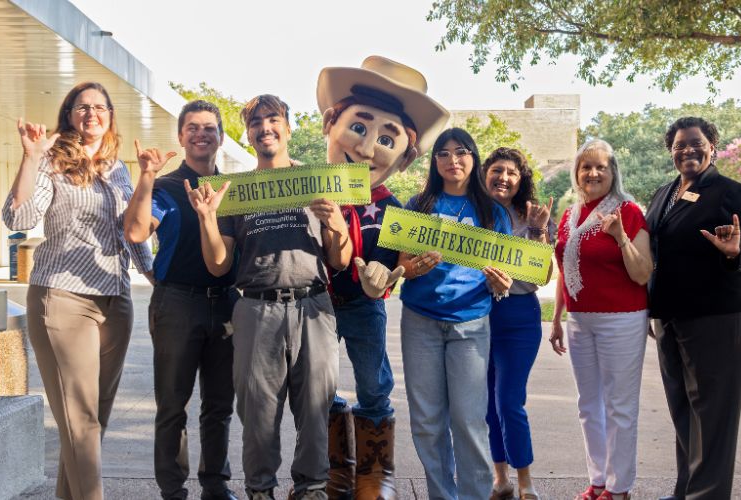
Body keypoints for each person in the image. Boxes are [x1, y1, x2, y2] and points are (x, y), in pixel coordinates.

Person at [185, 94, 351, 500]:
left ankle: (311, 489)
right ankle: (261, 490)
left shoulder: (317, 179)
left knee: (314, 412)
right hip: (257, 309)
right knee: (258, 414)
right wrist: (207, 219)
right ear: (249, 133)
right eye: (256, 122)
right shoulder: (234, 191)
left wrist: (336, 223)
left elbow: (340, 259)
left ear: (288, 128)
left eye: (272, 119)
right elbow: (219, 265)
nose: (265, 128)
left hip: (313, 306)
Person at [2, 81, 154, 500]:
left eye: (99, 107)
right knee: (81, 421)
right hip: (64, 298)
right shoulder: (51, 162)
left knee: (90, 423)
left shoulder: (118, 167)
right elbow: (18, 216)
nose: (91, 113)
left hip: (116, 300)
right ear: (69, 115)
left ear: (110, 115)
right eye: (81, 107)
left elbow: (132, 235)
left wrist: (159, 278)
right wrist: (31, 159)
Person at [316, 55, 450, 499]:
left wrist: (387, 277)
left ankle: (374, 472)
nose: (369, 147)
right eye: (359, 127)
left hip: (362, 305)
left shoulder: (396, 209)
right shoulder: (301, 188)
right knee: (320, 384)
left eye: (387, 138)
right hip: (313, 305)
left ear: (405, 157)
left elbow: (397, 266)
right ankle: (337, 468)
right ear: (330, 126)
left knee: (373, 383)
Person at [123, 100, 238, 500]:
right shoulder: (165, 187)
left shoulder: (234, 191)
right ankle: (172, 490)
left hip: (226, 303)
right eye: (193, 127)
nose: (201, 134)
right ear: (181, 136)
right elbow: (136, 232)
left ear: (221, 137)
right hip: (177, 304)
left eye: (209, 127)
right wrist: (145, 177)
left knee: (219, 405)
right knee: (172, 405)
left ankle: (216, 485)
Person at [646, 117, 741, 500]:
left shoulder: (729, 191)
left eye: (696, 143)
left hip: (716, 314)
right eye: (679, 145)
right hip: (669, 315)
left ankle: (707, 495)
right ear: (671, 151)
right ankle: (687, 490)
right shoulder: (664, 194)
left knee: (712, 414)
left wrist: (734, 253)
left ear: (713, 145)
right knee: (683, 409)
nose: (687, 150)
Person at [396, 127, 513, 500]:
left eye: (460, 152)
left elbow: (504, 275)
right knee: (428, 422)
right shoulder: (418, 206)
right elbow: (401, 269)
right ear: (434, 162)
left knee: (468, 421)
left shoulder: (492, 212)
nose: (452, 160)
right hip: (421, 323)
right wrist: (416, 269)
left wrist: (501, 283)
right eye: (443, 154)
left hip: (471, 325)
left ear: (473, 158)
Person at [549, 139, 653, 500]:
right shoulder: (570, 215)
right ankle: (598, 481)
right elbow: (565, 269)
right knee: (587, 404)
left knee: (619, 406)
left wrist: (620, 236)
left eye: (600, 167)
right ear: (577, 174)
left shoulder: (628, 211)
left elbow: (642, 273)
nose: (592, 173)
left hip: (621, 319)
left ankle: (619, 486)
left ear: (613, 173)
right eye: (585, 167)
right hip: (580, 321)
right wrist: (557, 318)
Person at [481, 147, 553, 500]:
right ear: (485, 174)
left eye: (511, 172)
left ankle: (525, 481)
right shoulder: (474, 212)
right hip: (479, 315)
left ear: (521, 178)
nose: (504, 178)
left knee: (509, 401)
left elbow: (543, 277)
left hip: (520, 316)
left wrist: (539, 233)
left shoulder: (533, 216)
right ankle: (501, 478)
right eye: (497, 170)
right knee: (488, 402)